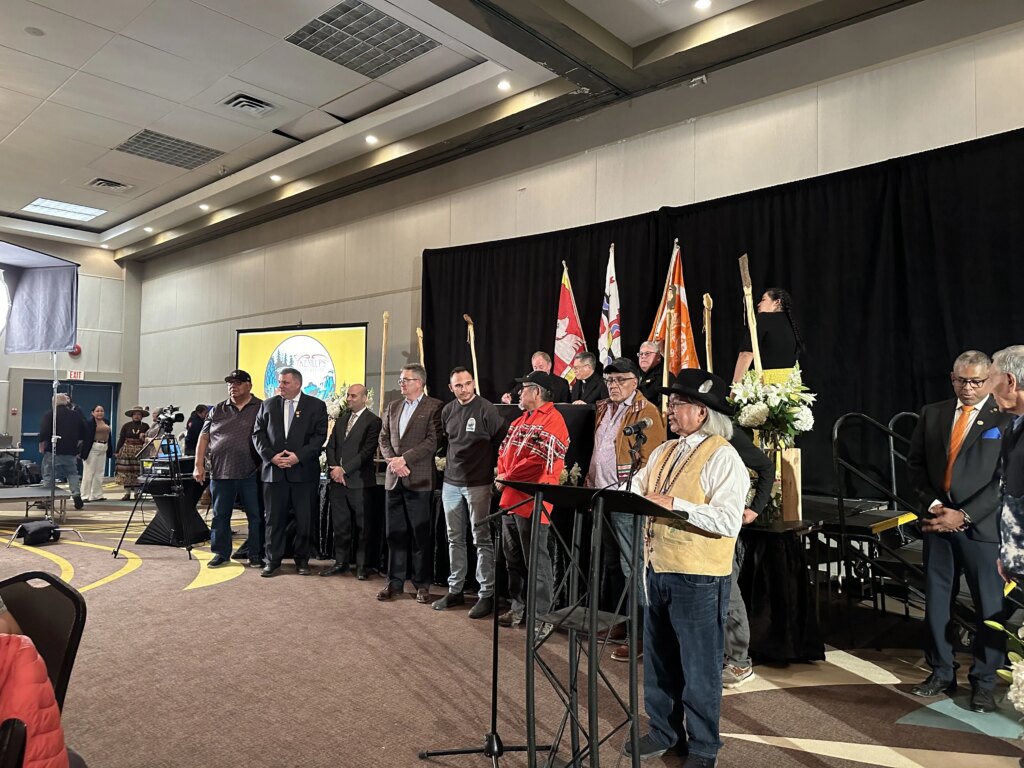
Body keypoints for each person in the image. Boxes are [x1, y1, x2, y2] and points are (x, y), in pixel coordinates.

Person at [623, 370, 747, 765]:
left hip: (698, 576)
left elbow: (728, 521)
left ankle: (704, 747)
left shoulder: (724, 456)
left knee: (700, 669)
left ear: (702, 412)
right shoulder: (664, 451)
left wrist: (677, 505)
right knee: (659, 661)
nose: (670, 410)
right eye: (671, 402)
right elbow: (637, 490)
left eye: (677, 404)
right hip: (657, 569)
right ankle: (664, 730)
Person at [906, 350, 1010, 713]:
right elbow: (915, 467)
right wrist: (935, 507)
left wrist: (963, 515)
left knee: (989, 607)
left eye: (976, 382)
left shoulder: (1005, 416)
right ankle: (941, 671)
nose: (968, 388)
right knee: (936, 602)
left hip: (981, 529)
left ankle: (983, 683)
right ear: (952, 378)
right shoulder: (932, 413)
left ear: (990, 380)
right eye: (962, 381)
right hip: (937, 524)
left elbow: (1005, 481)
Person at [585, 357, 665, 661]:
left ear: (636, 381)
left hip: (626, 497)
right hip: (602, 494)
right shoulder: (604, 408)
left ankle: (642, 635)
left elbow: (652, 459)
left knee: (633, 566)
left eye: (620, 380)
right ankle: (620, 622)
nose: (614, 386)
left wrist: (637, 494)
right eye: (610, 381)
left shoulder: (647, 412)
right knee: (611, 564)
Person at [496, 370, 569, 638]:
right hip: (510, 499)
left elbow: (538, 460)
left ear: (537, 392)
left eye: (524, 388)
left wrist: (507, 476)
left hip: (534, 501)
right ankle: (518, 608)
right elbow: (504, 451)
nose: (518, 392)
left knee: (537, 562)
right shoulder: (519, 420)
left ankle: (542, 617)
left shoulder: (554, 420)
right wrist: (503, 473)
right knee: (513, 559)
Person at [433, 367, 507, 618]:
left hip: (478, 483)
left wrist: (497, 471)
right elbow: (447, 441)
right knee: (454, 538)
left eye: (467, 384)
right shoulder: (447, 411)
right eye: (458, 385)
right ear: (451, 388)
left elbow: (501, 440)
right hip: (451, 483)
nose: (464, 389)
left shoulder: (486, 408)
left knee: (481, 538)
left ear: (473, 383)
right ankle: (455, 590)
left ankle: (486, 594)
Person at [252, 367, 328, 577]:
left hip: (303, 473)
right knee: (273, 519)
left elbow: (319, 437)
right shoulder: (267, 405)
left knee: (304, 519)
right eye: (279, 382)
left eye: (285, 383)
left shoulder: (316, 406)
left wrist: (298, 456)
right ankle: (272, 561)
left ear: (297, 384)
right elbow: (257, 434)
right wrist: (271, 457)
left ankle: (302, 560)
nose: (280, 387)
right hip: (273, 473)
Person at [377, 364, 444, 603]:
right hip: (394, 480)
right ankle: (394, 583)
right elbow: (383, 437)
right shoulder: (393, 407)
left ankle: (421, 585)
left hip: (420, 479)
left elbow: (432, 441)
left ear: (420, 382)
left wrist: (405, 459)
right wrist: (393, 462)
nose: (401, 383)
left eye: (406, 379)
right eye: (401, 379)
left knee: (419, 536)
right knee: (394, 534)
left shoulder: (435, 407)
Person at [721, 425, 775, 688]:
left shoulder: (729, 434)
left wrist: (755, 508)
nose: (671, 410)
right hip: (697, 527)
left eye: (679, 404)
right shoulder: (685, 441)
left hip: (725, 529)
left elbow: (766, 467)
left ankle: (739, 662)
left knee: (728, 591)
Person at [194, 369, 265, 569]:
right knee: (220, 515)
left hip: (252, 471)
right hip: (220, 471)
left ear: (249, 385)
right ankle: (220, 553)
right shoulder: (217, 409)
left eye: (238, 382)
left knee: (255, 515)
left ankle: (255, 554)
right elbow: (204, 437)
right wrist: (198, 465)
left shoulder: (261, 407)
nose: (233, 386)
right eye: (230, 383)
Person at [322, 384, 382, 580]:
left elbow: (367, 452)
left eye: (353, 396)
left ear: (365, 398)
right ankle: (341, 562)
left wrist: (344, 470)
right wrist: (334, 468)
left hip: (359, 483)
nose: (348, 398)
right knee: (340, 525)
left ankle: (362, 566)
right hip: (337, 483)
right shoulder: (341, 420)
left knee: (363, 527)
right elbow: (330, 446)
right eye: (347, 395)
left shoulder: (373, 421)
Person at [732, 287, 805, 384]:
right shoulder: (793, 325)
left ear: (776, 302)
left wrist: (736, 385)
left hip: (766, 387)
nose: (758, 304)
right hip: (791, 389)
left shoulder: (763, 319)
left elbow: (746, 354)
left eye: (763, 300)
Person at [38, 393, 85, 510]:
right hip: (70, 450)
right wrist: (78, 444)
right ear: (66, 402)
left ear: (54, 402)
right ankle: (76, 495)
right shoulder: (75, 415)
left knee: (49, 474)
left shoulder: (50, 414)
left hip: (54, 450)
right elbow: (84, 430)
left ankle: (48, 500)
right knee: (72, 474)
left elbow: (44, 431)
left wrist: (41, 445)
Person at [501, 351, 571, 405]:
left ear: (549, 365)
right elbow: (512, 395)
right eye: (535, 367)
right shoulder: (527, 380)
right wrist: (507, 398)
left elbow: (566, 406)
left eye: (541, 367)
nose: (538, 371)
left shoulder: (562, 383)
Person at [79, 405, 113, 503]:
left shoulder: (106, 422)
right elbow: (85, 437)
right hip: (93, 447)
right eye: (97, 411)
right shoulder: (89, 423)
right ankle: (85, 495)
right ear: (92, 413)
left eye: (101, 411)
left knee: (99, 472)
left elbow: (108, 436)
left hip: (103, 447)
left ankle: (97, 495)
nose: (100, 413)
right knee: (89, 472)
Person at [115, 406, 149, 500]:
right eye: (134, 414)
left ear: (142, 416)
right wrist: (117, 451)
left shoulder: (145, 426)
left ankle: (137, 493)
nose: (136, 416)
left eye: (138, 414)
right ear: (131, 416)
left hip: (140, 451)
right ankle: (127, 493)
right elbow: (121, 439)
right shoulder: (126, 426)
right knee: (126, 472)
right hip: (127, 450)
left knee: (138, 471)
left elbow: (147, 439)